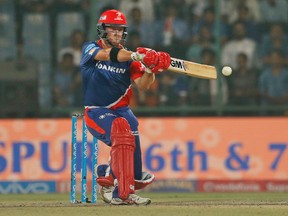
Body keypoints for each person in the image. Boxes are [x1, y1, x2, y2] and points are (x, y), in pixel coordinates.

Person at [80, 9, 171, 205]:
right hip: (96, 112)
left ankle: (108, 174)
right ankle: (122, 194)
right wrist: (138, 56)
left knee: (135, 170)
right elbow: (107, 55)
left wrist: (151, 68)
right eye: (112, 29)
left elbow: (144, 86)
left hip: (123, 113)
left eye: (120, 30)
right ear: (102, 30)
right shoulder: (89, 49)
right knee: (121, 129)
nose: (117, 33)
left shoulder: (130, 59)